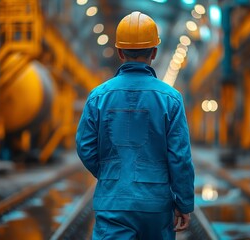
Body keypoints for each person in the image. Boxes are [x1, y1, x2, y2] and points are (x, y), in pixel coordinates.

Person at [76, 11, 194, 240]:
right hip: (156, 205)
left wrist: (110, 174)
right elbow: (180, 157)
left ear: (119, 52)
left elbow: (84, 146)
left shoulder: (98, 97)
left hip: (112, 201)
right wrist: (184, 203)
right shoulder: (170, 99)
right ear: (154, 52)